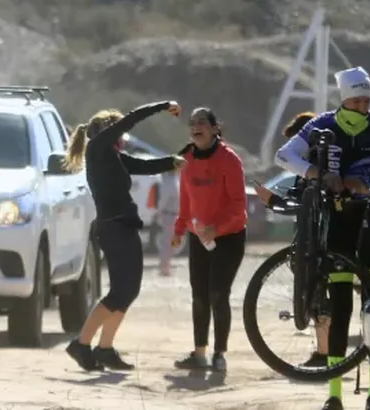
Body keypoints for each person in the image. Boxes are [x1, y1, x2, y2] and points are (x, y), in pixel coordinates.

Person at [275, 67, 370, 410]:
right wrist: (317, 174)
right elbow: (283, 156)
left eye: (366, 100)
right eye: (355, 100)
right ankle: (334, 395)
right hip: (338, 219)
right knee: (341, 305)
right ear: (343, 100)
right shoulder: (323, 124)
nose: (362, 107)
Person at [64, 100, 184, 372]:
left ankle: (104, 349)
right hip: (113, 227)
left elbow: (142, 166)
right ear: (109, 130)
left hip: (124, 226)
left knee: (128, 291)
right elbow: (129, 120)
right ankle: (81, 344)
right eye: (118, 132)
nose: (123, 139)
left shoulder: (113, 157)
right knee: (120, 291)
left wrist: (173, 161)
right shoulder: (97, 149)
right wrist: (163, 106)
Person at [171, 107, 247, 373]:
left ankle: (219, 353)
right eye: (192, 123)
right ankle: (199, 353)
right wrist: (180, 228)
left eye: (202, 122)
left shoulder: (229, 159)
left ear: (216, 128)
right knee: (199, 296)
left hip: (229, 236)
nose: (196, 126)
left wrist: (216, 229)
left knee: (217, 293)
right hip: (198, 237)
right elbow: (186, 199)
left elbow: (239, 206)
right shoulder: (186, 159)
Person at [253, 111, 329, 367]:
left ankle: (325, 352)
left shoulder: (315, 169)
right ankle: (325, 351)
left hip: (316, 242)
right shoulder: (316, 166)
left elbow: (303, 205)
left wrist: (272, 200)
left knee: (319, 296)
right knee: (320, 296)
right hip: (311, 239)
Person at [154, 166, 180, 276]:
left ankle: (165, 265)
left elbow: (163, 200)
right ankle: (164, 266)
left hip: (170, 214)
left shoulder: (170, 181)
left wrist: (157, 212)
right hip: (170, 214)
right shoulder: (173, 181)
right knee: (168, 242)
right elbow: (165, 200)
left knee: (168, 242)